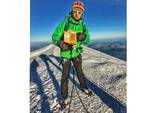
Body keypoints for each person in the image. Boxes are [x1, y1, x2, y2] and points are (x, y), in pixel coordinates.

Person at [52, 1, 92, 105]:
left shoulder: (83, 26)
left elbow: (88, 41)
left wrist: (84, 37)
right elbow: (54, 37)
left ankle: (84, 87)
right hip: (66, 54)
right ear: (72, 11)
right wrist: (62, 45)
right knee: (65, 76)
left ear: (82, 13)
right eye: (75, 11)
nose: (77, 13)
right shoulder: (65, 23)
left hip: (77, 53)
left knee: (80, 72)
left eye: (79, 12)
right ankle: (65, 96)